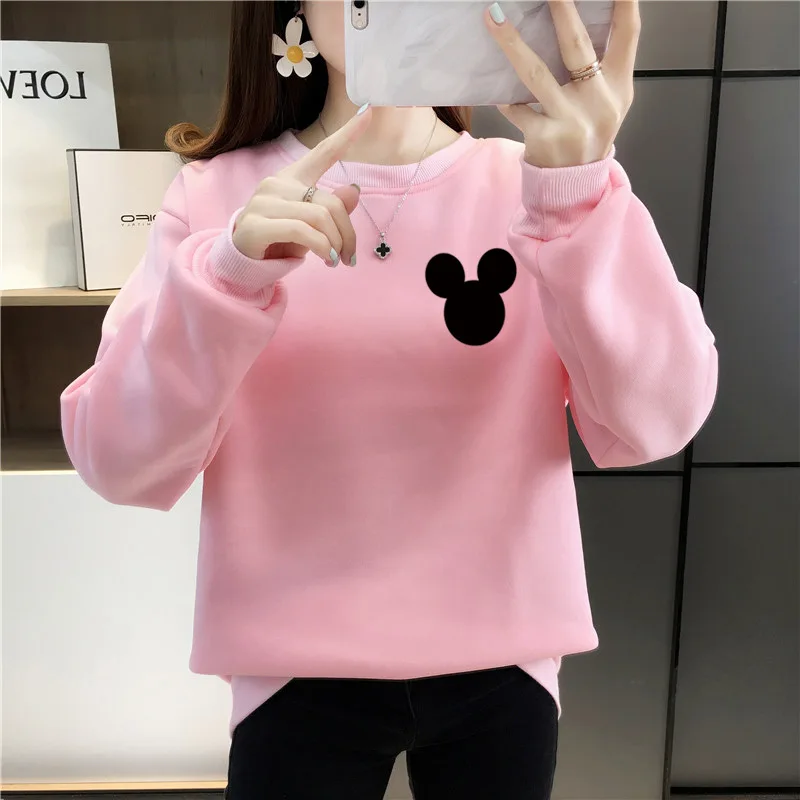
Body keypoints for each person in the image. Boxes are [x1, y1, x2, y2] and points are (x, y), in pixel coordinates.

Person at [60, 1, 718, 797]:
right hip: (293, 668)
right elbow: (118, 459)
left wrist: (580, 196)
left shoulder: (543, 182)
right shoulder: (218, 198)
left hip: (503, 661)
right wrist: (227, 276)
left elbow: (656, 419)